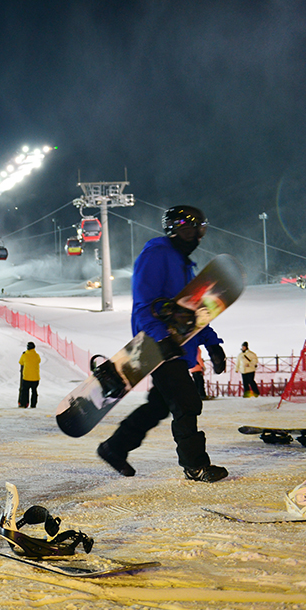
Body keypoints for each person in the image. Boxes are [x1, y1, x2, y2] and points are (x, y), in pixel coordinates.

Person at [96, 205, 229, 482]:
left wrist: (212, 343)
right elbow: (144, 305)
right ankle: (195, 465)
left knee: (160, 404)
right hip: (159, 345)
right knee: (186, 402)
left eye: (198, 230)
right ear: (173, 230)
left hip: (175, 346)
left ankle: (115, 447)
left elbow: (193, 313)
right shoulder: (156, 255)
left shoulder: (183, 264)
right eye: (188, 229)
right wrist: (162, 338)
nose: (195, 236)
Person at [18, 342, 41, 409]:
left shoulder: (25, 355)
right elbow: (39, 361)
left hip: (26, 377)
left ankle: (24, 403)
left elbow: (20, 362)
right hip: (36, 378)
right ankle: (33, 404)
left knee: (25, 391)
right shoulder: (37, 355)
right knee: (34, 391)